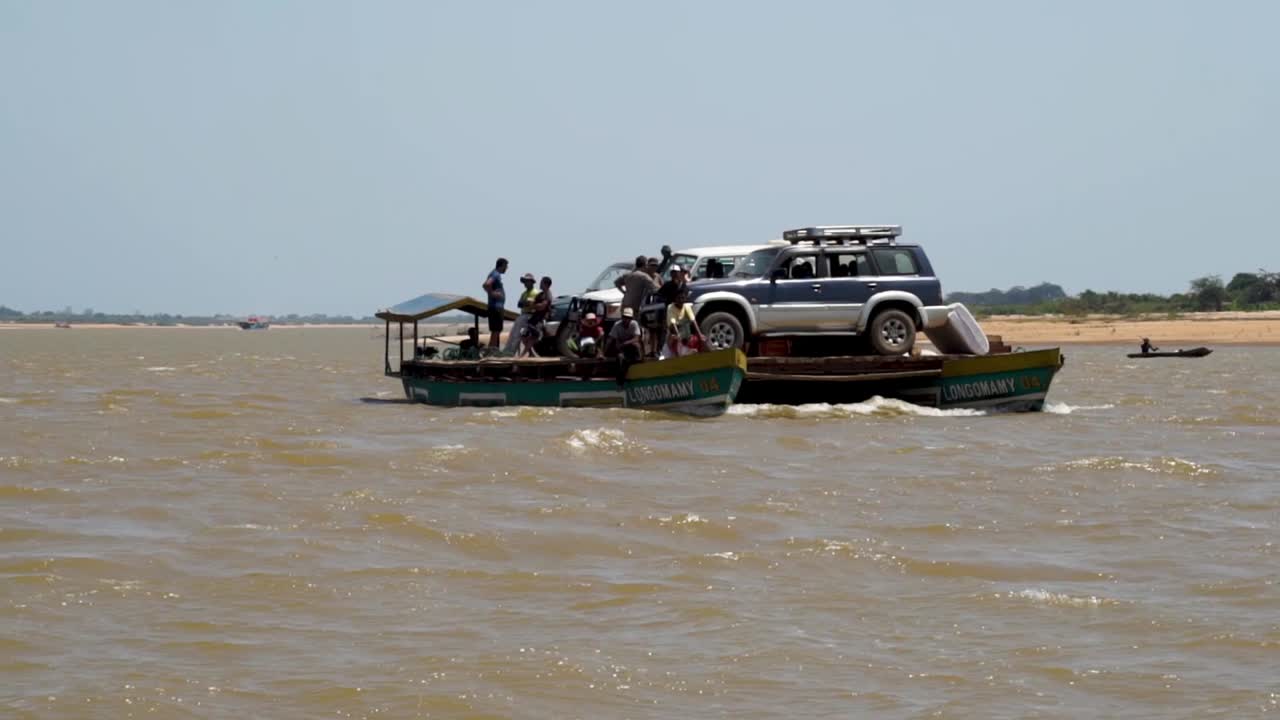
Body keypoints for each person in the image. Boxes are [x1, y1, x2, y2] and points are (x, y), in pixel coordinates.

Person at [517, 276, 553, 358]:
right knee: (523, 336)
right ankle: (531, 353)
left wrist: (532, 305)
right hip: (534, 319)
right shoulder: (541, 294)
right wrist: (531, 304)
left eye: (541, 282)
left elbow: (542, 306)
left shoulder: (548, 295)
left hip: (540, 320)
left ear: (546, 284)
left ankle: (522, 355)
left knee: (532, 337)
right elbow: (525, 304)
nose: (540, 284)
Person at [663, 289, 705, 359]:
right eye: (678, 298)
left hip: (685, 332)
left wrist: (700, 335)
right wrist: (678, 336)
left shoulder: (686, 306)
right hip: (673, 332)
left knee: (703, 340)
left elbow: (693, 321)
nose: (681, 300)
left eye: (682, 298)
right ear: (675, 299)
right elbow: (673, 324)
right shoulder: (670, 307)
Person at [504, 273, 540, 353]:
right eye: (525, 281)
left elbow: (531, 304)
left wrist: (526, 303)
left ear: (531, 282)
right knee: (513, 333)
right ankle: (508, 351)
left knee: (518, 334)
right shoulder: (524, 293)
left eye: (527, 281)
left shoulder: (536, 293)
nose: (525, 283)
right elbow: (519, 304)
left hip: (530, 316)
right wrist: (526, 303)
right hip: (523, 315)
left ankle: (511, 352)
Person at [606, 307, 643, 383]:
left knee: (636, 346)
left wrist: (625, 343)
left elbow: (637, 338)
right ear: (622, 317)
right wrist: (605, 351)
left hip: (631, 347)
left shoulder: (634, 324)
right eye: (625, 317)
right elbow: (611, 339)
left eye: (628, 318)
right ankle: (620, 379)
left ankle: (638, 371)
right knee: (620, 358)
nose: (626, 319)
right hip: (622, 349)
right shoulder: (617, 325)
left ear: (631, 318)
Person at [482, 257, 508, 350]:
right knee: (496, 330)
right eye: (506, 266)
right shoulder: (495, 274)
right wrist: (493, 293)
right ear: (502, 265)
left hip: (495, 307)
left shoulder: (495, 274)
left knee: (496, 330)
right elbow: (486, 284)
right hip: (496, 307)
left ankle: (493, 349)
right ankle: (491, 350)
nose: (507, 268)